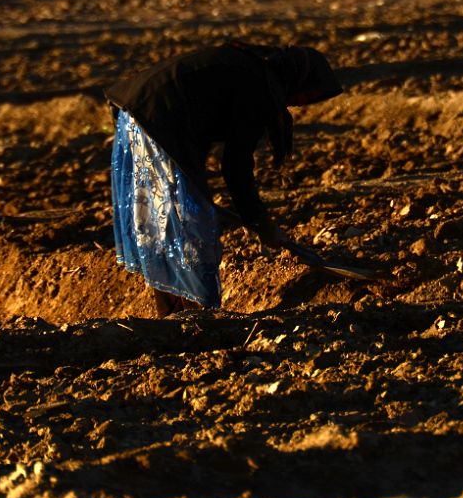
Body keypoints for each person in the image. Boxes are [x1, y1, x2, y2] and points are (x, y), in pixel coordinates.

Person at [106, 41, 343, 317]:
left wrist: (198, 186)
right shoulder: (259, 87)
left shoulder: (250, 69)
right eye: (308, 96)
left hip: (138, 115)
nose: (300, 104)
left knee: (169, 222)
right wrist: (260, 221)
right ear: (300, 80)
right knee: (189, 225)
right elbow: (236, 165)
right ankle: (196, 318)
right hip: (154, 121)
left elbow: (200, 120)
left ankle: (174, 317)